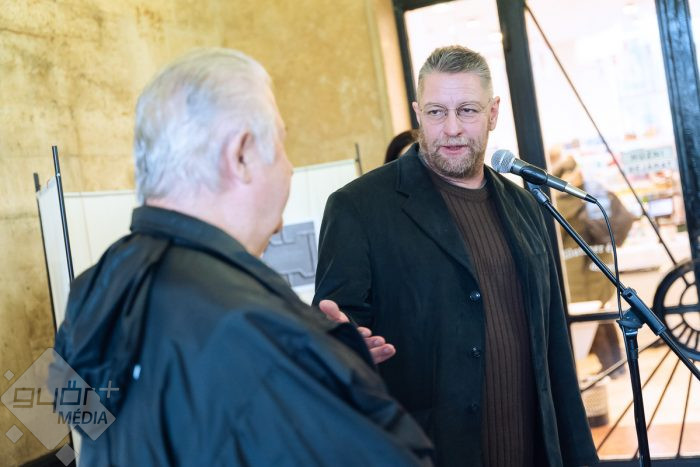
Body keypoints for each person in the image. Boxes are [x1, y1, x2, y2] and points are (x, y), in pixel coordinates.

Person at [49, 48, 433, 466]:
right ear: (242, 154)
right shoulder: (257, 329)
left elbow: (71, 417)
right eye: (282, 144)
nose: (289, 168)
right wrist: (330, 366)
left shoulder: (92, 286)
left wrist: (327, 362)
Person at [313, 46, 598, 466]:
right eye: (435, 112)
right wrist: (340, 342)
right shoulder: (358, 207)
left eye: (466, 111)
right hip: (426, 451)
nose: (451, 129)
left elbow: (554, 351)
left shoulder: (526, 207)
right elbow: (335, 328)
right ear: (417, 113)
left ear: (492, 113)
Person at [550, 149, 636, 377]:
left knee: (593, 317)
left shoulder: (560, 200)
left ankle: (613, 365)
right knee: (602, 316)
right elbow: (622, 224)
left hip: (576, 271)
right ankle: (615, 365)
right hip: (598, 266)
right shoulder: (595, 195)